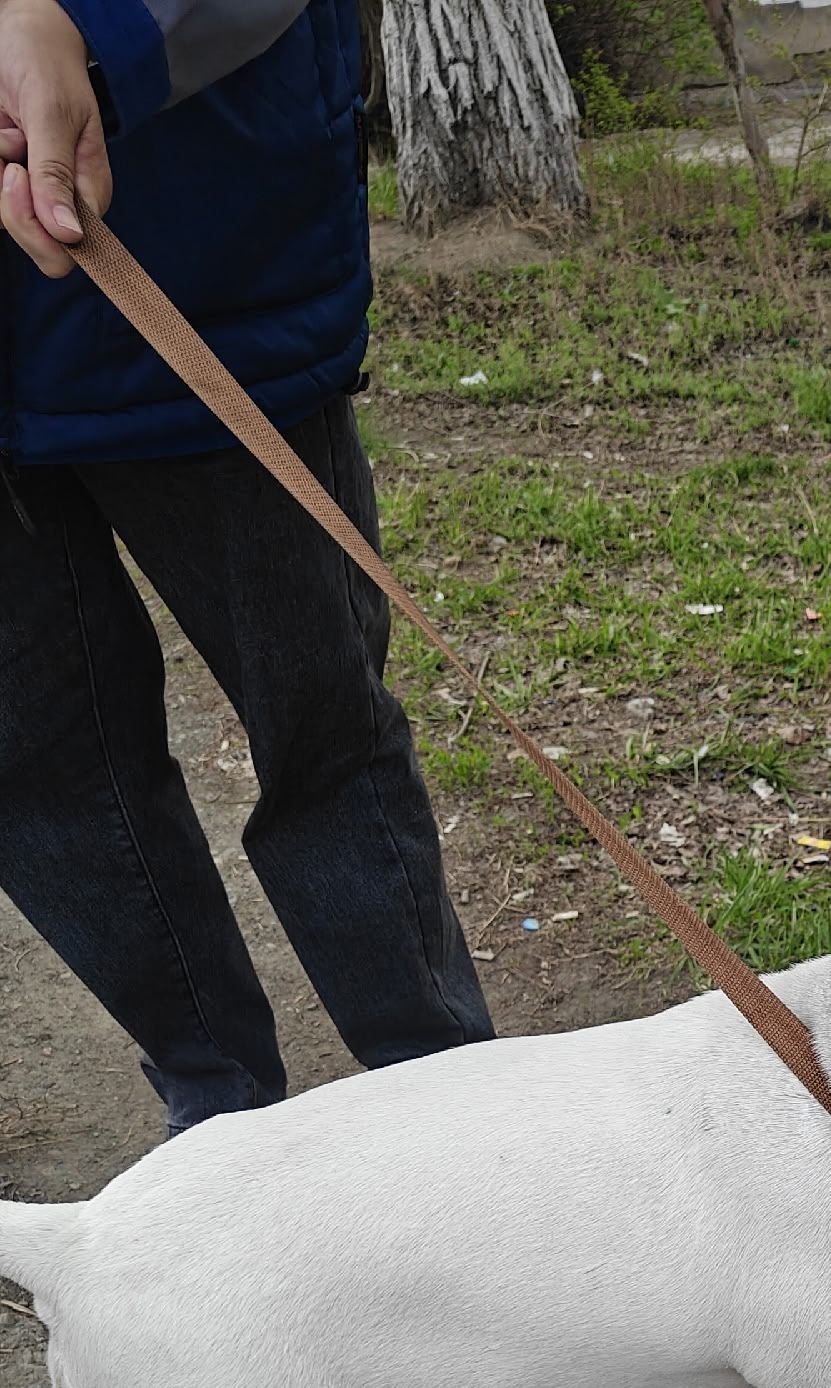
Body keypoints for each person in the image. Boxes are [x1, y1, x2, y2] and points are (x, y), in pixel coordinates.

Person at [0, 0, 491, 1138]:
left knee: (318, 720)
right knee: (35, 761)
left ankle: (452, 1106)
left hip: (199, 270)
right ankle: (217, 1114)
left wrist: (92, 31)